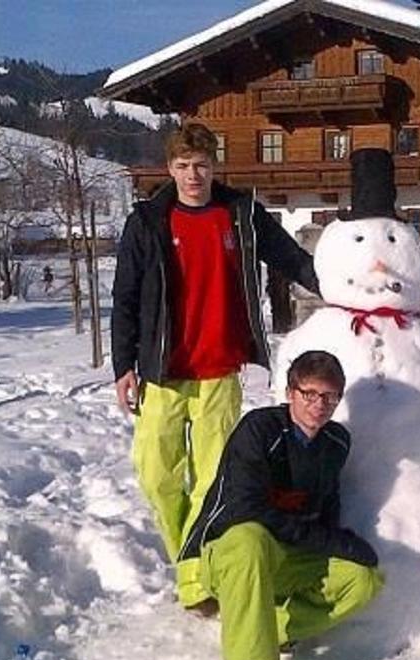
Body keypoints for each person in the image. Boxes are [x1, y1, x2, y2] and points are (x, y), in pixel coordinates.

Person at [111, 122, 319, 616]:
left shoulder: (241, 214)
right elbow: (125, 298)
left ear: (214, 165)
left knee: (211, 481)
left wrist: (343, 286)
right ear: (169, 169)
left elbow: (290, 257)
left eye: (201, 165)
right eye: (182, 166)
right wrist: (124, 365)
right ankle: (194, 564)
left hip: (219, 373)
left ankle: (195, 580)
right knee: (157, 477)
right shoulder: (147, 222)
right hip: (162, 372)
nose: (193, 176)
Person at [179, 351, 384, 660]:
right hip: (229, 554)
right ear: (290, 392)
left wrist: (339, 543)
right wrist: (334, 541)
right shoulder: (259, 429)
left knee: (362, 579)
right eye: (309, 394)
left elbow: (326, 505)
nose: (319, 405)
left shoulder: (335, 443)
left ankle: (262, 629)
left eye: (329, 397)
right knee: (250, 539)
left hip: (286, 556)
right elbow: (247, 508)